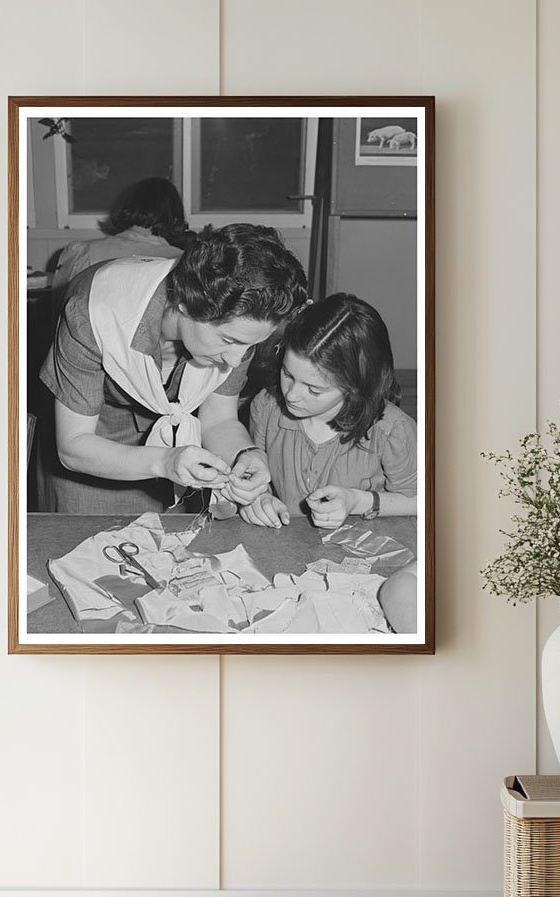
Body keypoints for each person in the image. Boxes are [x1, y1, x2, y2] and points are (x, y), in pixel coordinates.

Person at [40, 223, 309, 514]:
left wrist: (247, 454)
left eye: (249, 346)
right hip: (95, 446)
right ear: (185, 305)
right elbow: (74, 446)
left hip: (177, 451)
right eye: (228, 340)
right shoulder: (92, 313)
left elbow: (218, 421)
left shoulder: (239, 327)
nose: (235, 360)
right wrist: (164, 461)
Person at [239, 292, 418, 632]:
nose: (292, 394)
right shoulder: (266, 407)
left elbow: (425, 503)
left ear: (356, 388)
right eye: (288, 374)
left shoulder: (392, 430)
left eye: (314, 390)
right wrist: (255, 498)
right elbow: (254, 468)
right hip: (284, 571)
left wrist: (359, 500)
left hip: (365, 579)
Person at [53, 177, 190, 286]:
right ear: (175, 216)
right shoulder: (183, 262)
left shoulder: (84, 253)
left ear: (128, 206)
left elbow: (60, 310)